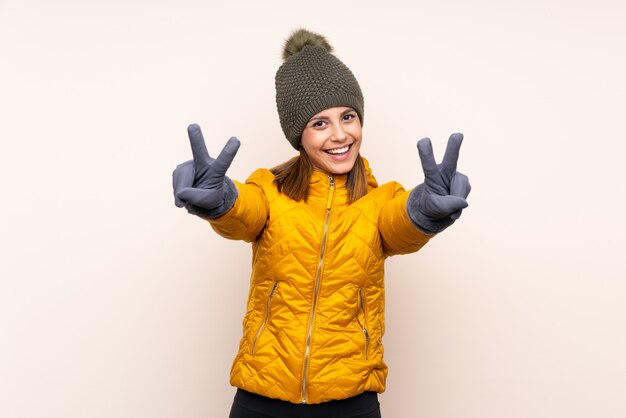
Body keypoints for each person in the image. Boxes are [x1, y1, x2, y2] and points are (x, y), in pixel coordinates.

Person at [172, 28, 471, 418]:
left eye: (348, 117)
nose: (340, 134)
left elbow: (400, 223)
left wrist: (425, 209)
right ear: (299, 135)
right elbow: (244, 212)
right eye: (320, 123)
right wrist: (220, 199)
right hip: (262, 399)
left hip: (351, 401)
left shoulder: (380, 201)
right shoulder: (269, 190)